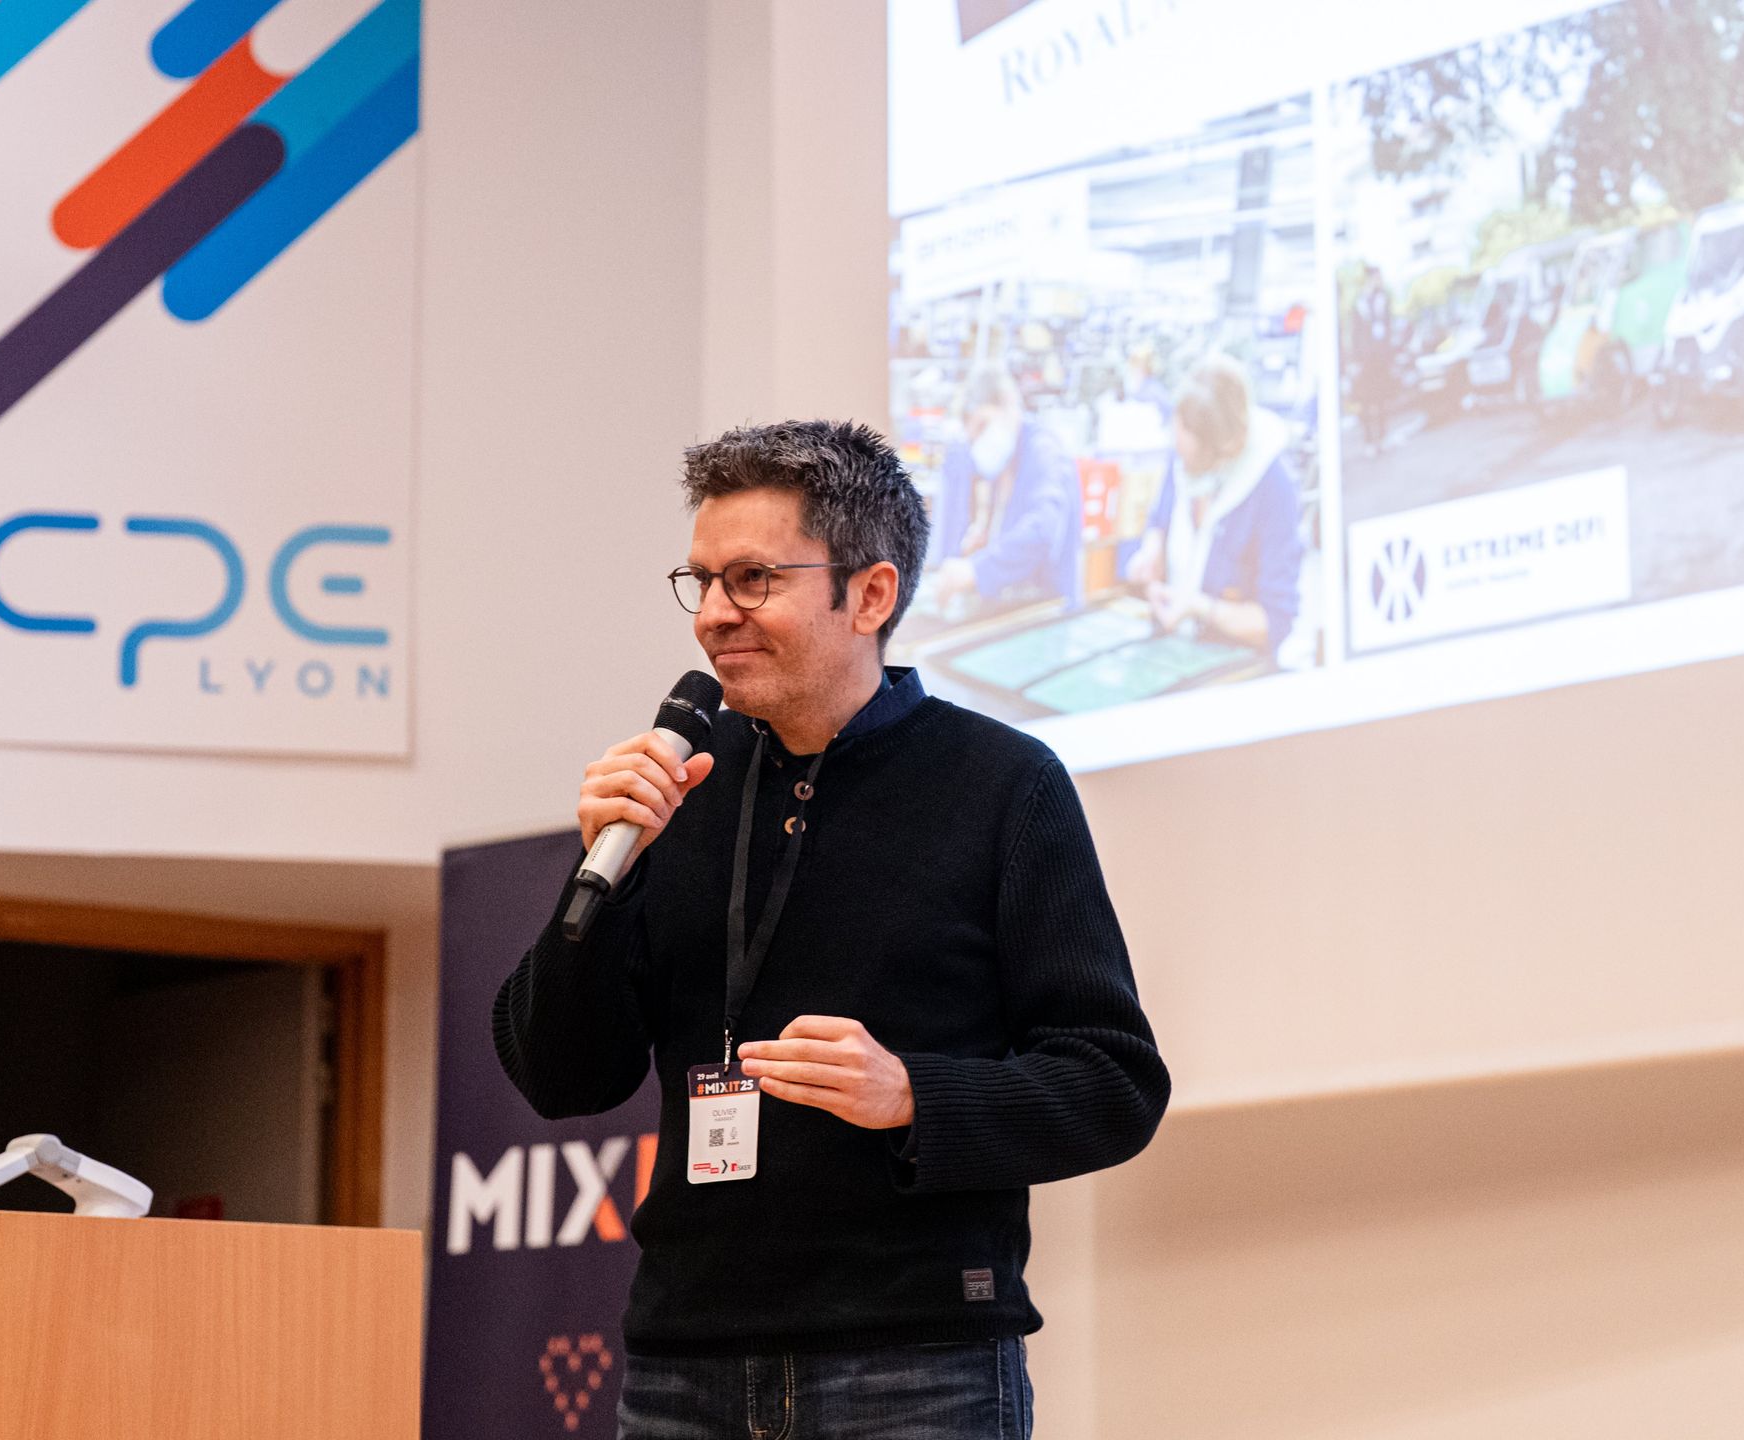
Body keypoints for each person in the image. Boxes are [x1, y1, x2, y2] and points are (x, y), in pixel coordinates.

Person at [494, 419, 1170, 1438]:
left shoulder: (1002, 786)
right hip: (683, 1371)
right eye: (701, 582)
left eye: (752, 580)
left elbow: (1113, 1085)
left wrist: (913, 1096)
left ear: (871, 594)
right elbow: (562, 1075)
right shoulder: (678, 789)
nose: (713, 615)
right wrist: (609, 870)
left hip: (916, 1369)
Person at [1119, 355, 1302, 656]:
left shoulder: (1272, 487)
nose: (1181, 461)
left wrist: (1200, 607)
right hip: (1171, 649)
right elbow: (1160, 518)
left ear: (1221, 452)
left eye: (1192, 458)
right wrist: (1152, 550)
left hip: (1231, 665)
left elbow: (1274, 624)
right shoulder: (1183, 455)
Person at [925, 365, 1082, 618]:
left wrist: (977, 569)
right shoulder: (1006, 459)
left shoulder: (1045, 451)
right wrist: (984, 544)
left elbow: (1043, 529)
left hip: (1048, 610)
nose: (979, 441)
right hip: (1015, 609)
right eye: (973, 436)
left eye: (983, 425)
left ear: (1008, 403)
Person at [1349, 265, 1396, 454]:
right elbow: (1355, 333)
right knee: (1366, 402)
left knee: (1382, 399)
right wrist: (1355, 360)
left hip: (1381, 358)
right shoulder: (1359, 302)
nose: (1380, 281)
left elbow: (1389, 326)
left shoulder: (1383, 299)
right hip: (1365, 361)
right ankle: (1369, 440)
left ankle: (1383, 437)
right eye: (1377, 278)